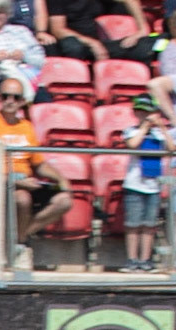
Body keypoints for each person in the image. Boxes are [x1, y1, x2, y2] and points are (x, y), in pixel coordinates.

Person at [0, 75, 70, 270]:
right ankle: (20, 247)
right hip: (2, 182)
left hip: (27, 179)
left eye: (15, 97)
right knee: (22, 198)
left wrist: (60, 178)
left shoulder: (27, 127)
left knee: (64, 200)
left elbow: (38, 163)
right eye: (5, 96)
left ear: (22, 101)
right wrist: (20, 183)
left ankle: (20, 238)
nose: (10, 101)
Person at [120, 93, 172, 271]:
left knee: (149, 226)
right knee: (133, 225)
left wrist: (162, 129)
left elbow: (172, 148)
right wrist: (144, 128)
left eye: (147, 113)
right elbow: (133, 145)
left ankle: (145, 259)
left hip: (153, 186)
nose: (144, 116)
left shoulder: (159, 134)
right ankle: (132, 259)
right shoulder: (131, 131)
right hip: (134, 185)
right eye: (140, 112)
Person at [46, 0, 157, 64]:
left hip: (100, 43)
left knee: (148, 45)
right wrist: (92, 43)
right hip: (75, 43)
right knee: (73, 46)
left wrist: (142, 29)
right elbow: (58, 30)